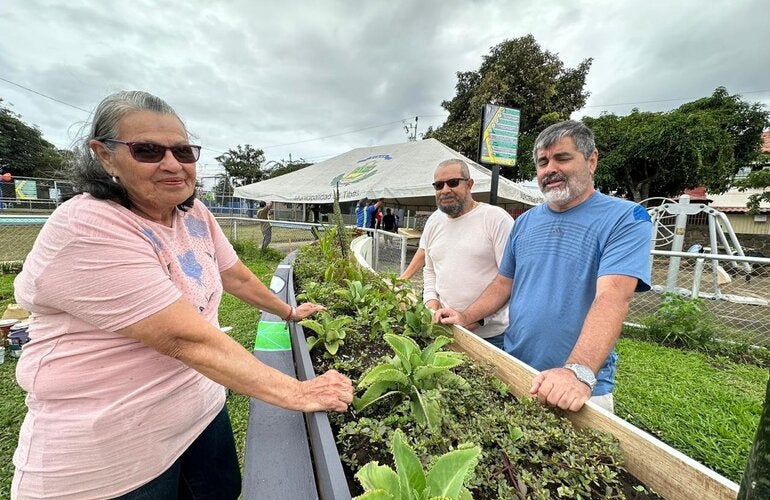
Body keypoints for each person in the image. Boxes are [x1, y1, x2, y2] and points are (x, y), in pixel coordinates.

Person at [10, 91, 353, 499]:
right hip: (114, 459)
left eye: (183, 151)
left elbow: (236, 276)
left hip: (201, 415)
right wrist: (298, 391)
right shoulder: (88, 227)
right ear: (105, 156)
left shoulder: (193, 214)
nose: (172, 164)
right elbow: (183, 338)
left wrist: (287, 312)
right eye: (148, 150)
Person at [435, 120, 652, 413]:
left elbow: (613, 296)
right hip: (516, 369)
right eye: (542, 162)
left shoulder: (625, 218)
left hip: (577, 387)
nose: (550, 169)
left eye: (562, 158)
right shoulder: (525, 222)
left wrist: (578, 371)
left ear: (591, 161)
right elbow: (504, 283)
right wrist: (465, 316)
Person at [423, 159, 514, 350]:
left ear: (470, 184)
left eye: (453, 182)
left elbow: (509, 280)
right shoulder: (433, 224)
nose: (445, 190)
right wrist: (431, 303)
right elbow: (430, 270)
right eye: (438, 185)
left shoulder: (495, 219)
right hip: (446, 331)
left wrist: (474, 318)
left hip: (490, 337)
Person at [398, 210, 442, 280]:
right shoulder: (436, 217)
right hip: (436, 280)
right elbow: (423, 250)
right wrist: (402, 279)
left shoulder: (437, 217)